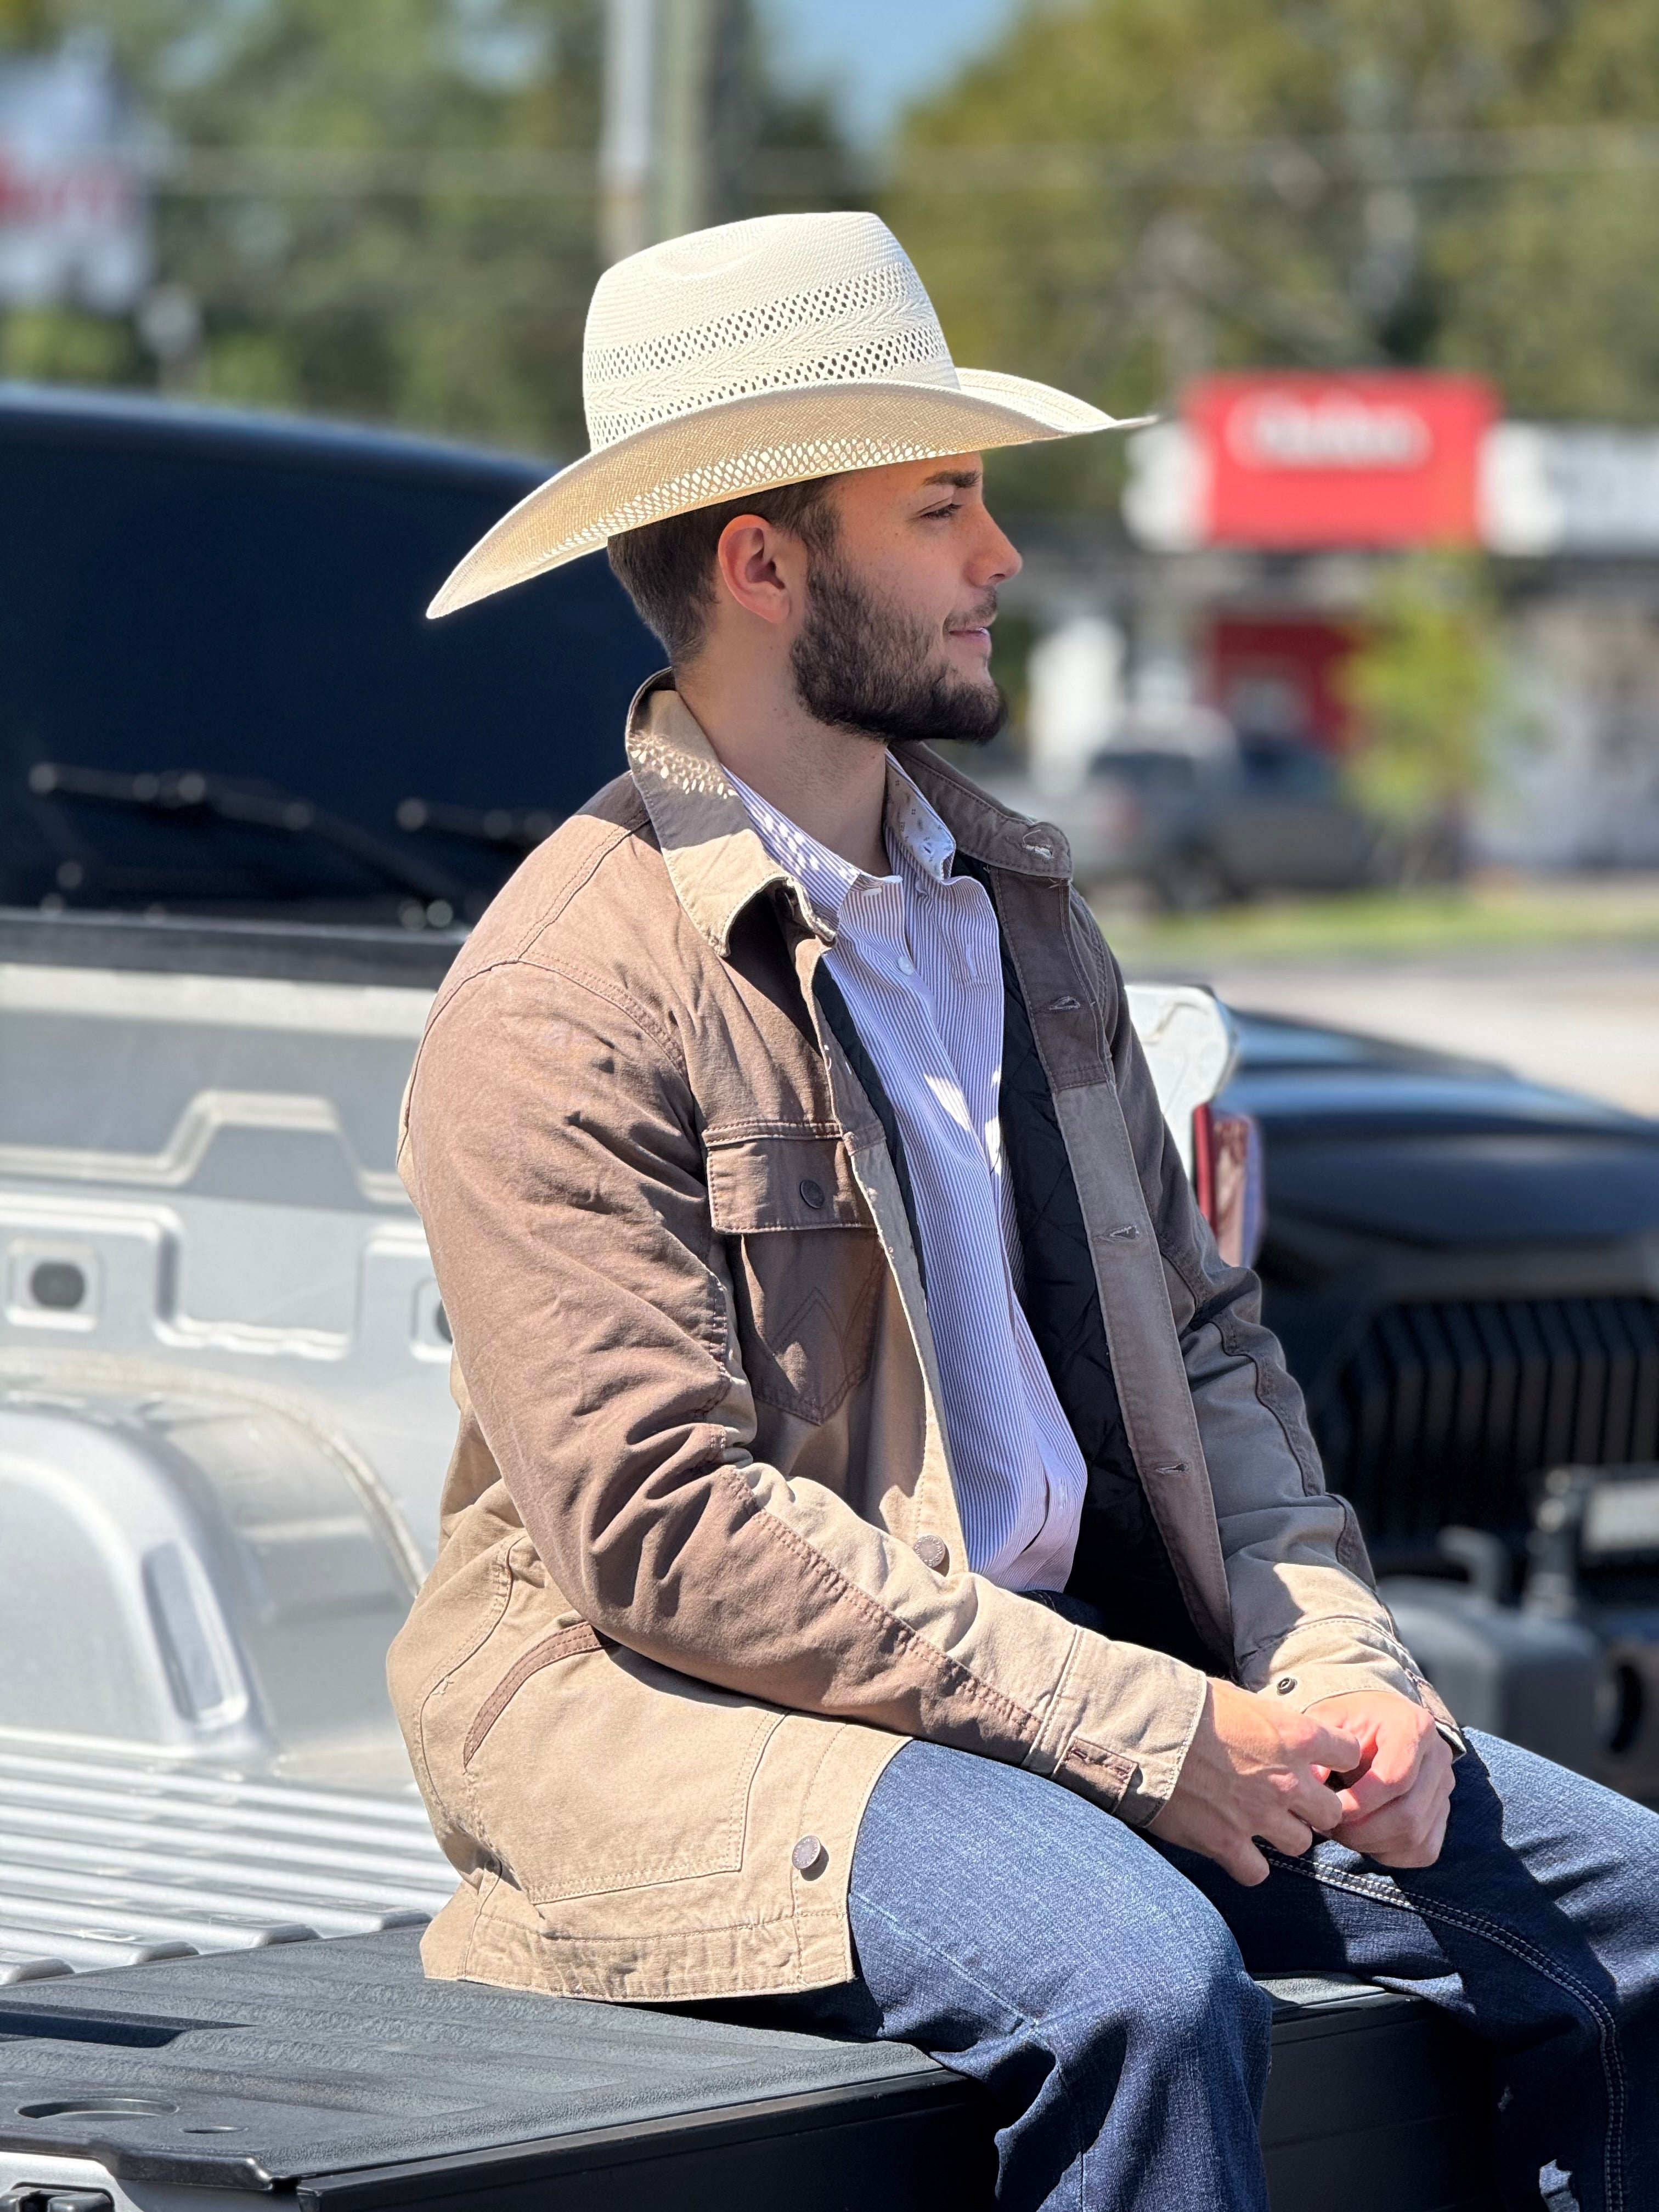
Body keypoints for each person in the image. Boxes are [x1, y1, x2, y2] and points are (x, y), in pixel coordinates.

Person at [389, 211, 1658, 2212]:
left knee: (1638, 1912)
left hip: (1058, 1683)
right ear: (764, 561)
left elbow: (1215, 1342)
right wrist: (1151, 1732)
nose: (1003, 562)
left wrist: (1340, 1671)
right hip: (696, 1735)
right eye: (949, 504)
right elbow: (662, 1531)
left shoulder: (1017, 909)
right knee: (1137, 1983)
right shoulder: (559, 988)